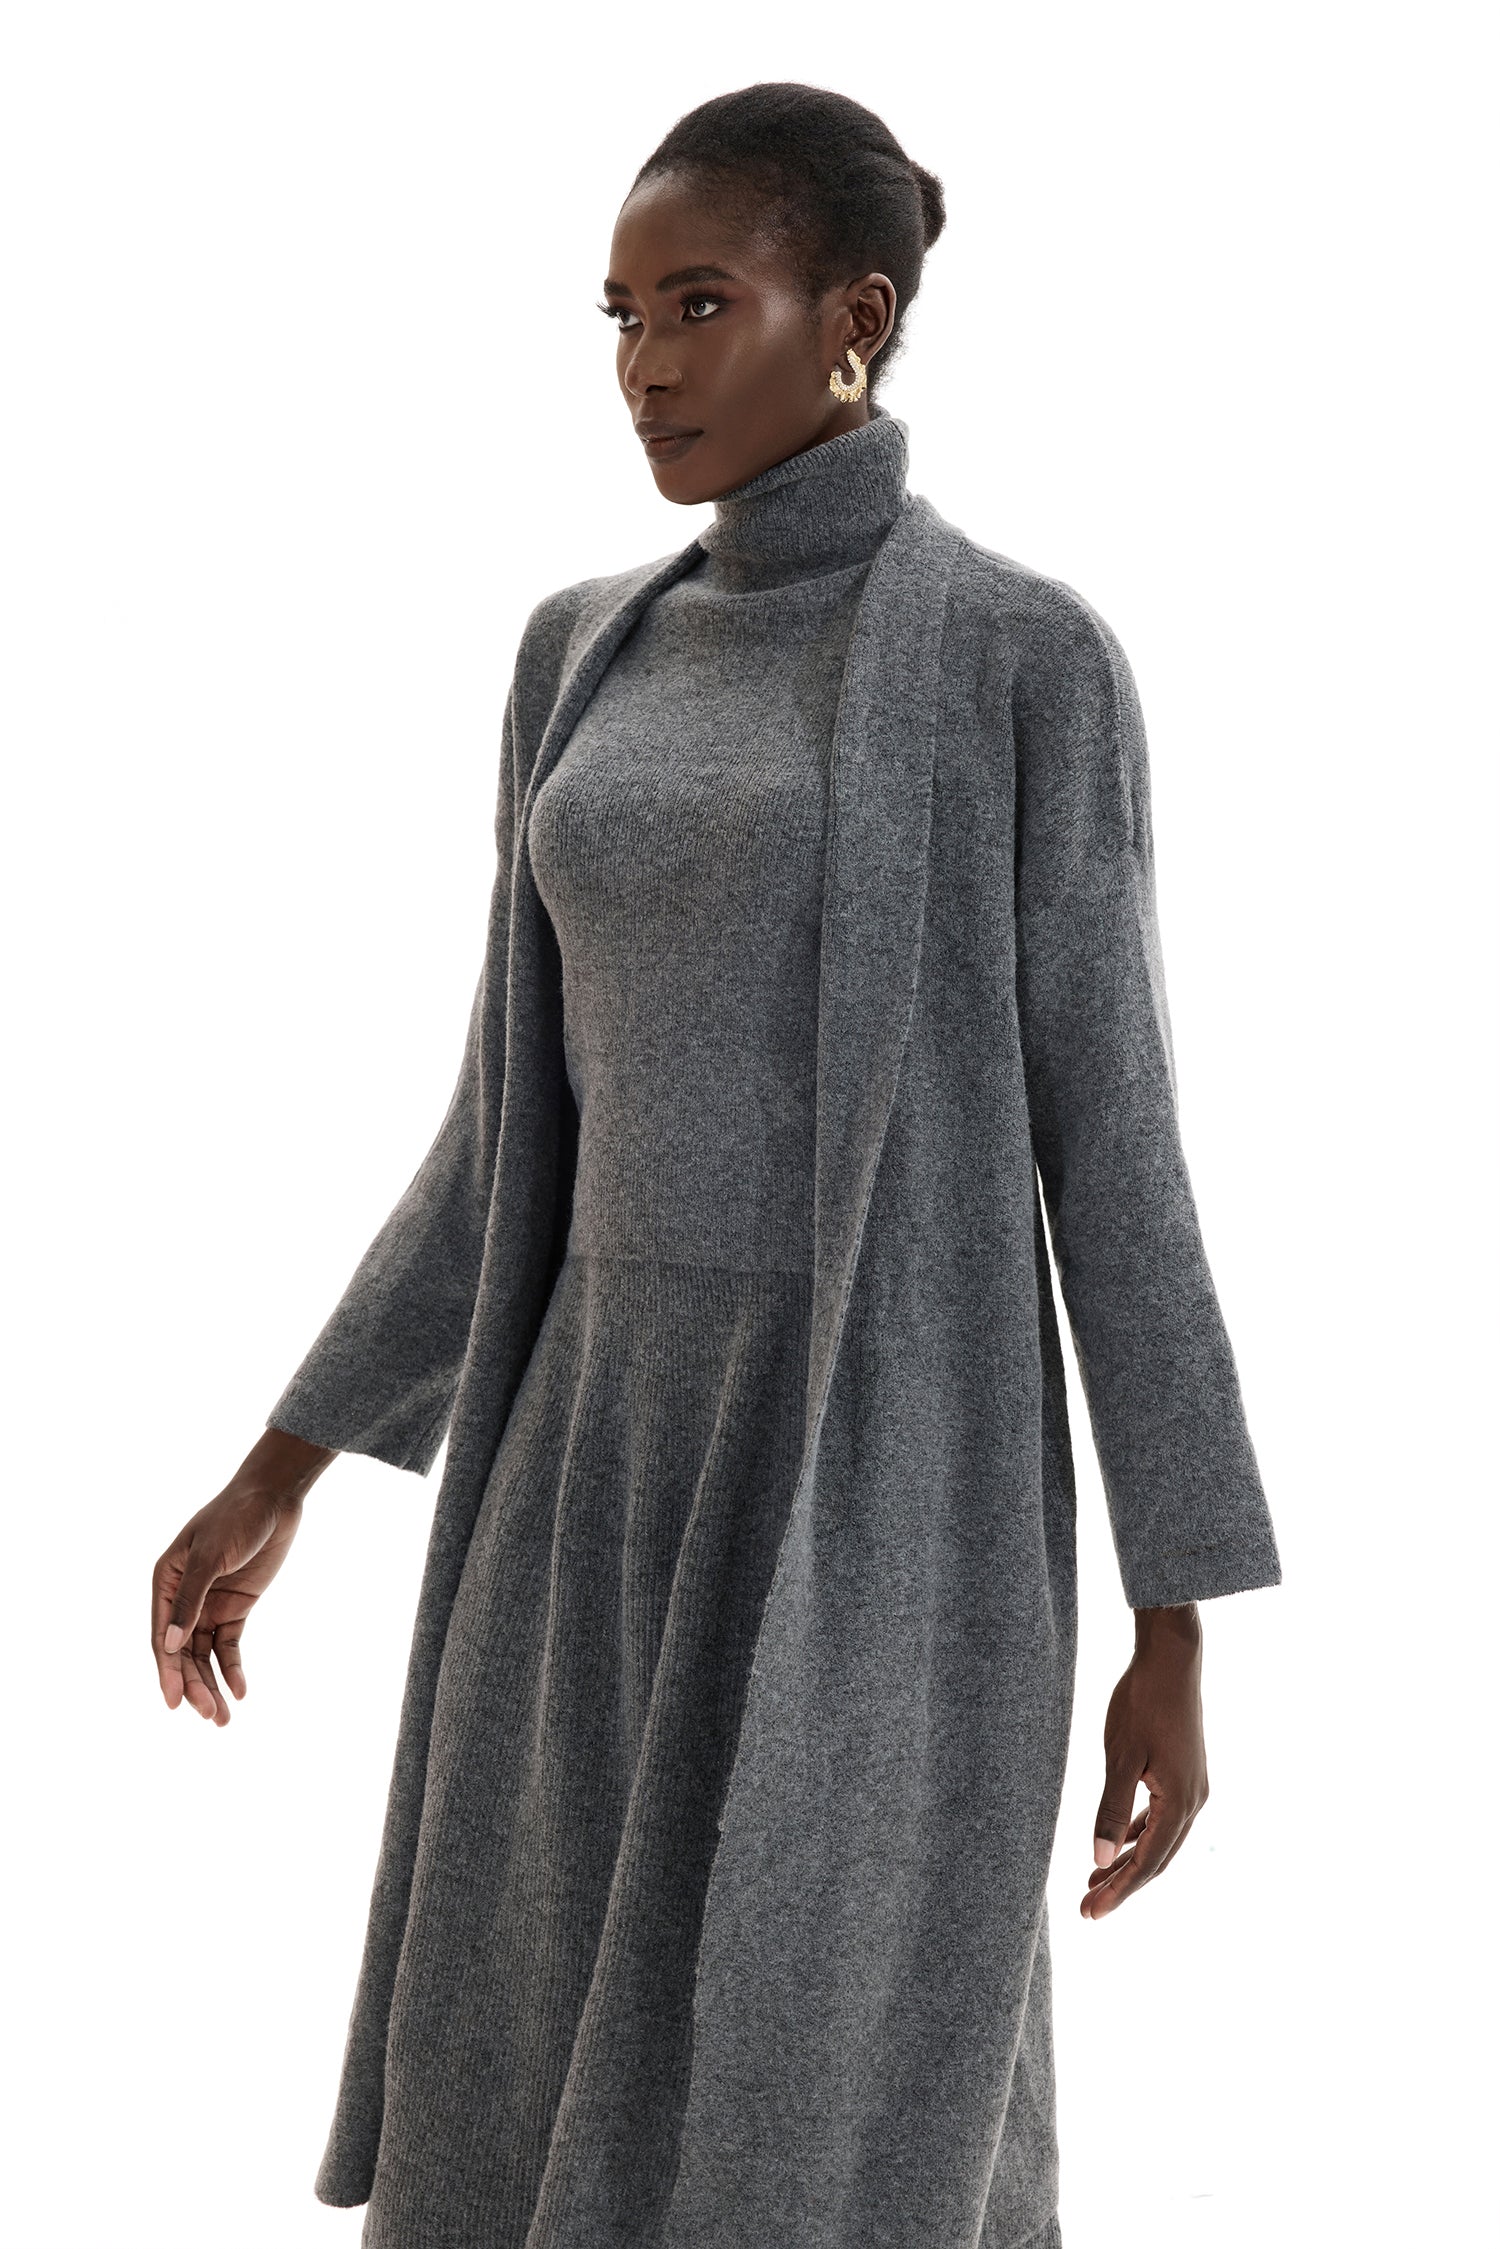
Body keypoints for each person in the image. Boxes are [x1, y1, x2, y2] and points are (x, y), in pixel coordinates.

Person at [151, 80, 1282, 2249]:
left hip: (884, 1483)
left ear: (852, 318)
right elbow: (507, 1131)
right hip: (582, 1469)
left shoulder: (1023, 662)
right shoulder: (577, 652)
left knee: (829, 2086)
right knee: (525, 2049)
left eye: (699, 303)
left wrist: (1178, 1618)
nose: (646, 364)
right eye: (619, 315)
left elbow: (1117, 1148)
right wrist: (284, 1463)